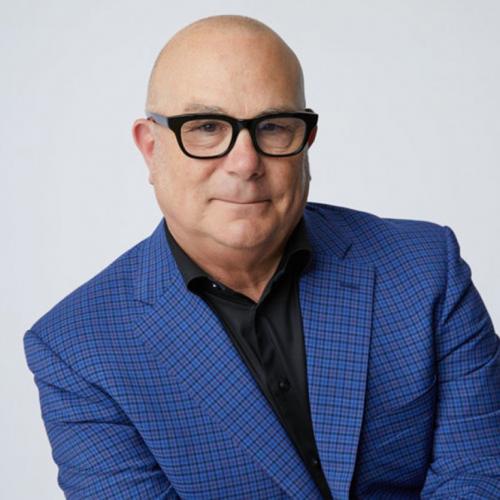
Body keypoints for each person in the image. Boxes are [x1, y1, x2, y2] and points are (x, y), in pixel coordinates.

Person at [23, 14, 499, 500]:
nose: (246, 162)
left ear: (306, 140)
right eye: (207, 127)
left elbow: (481, 476)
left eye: (272, 127)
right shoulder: (77, 349)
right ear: (150, 149)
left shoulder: (426, 268)